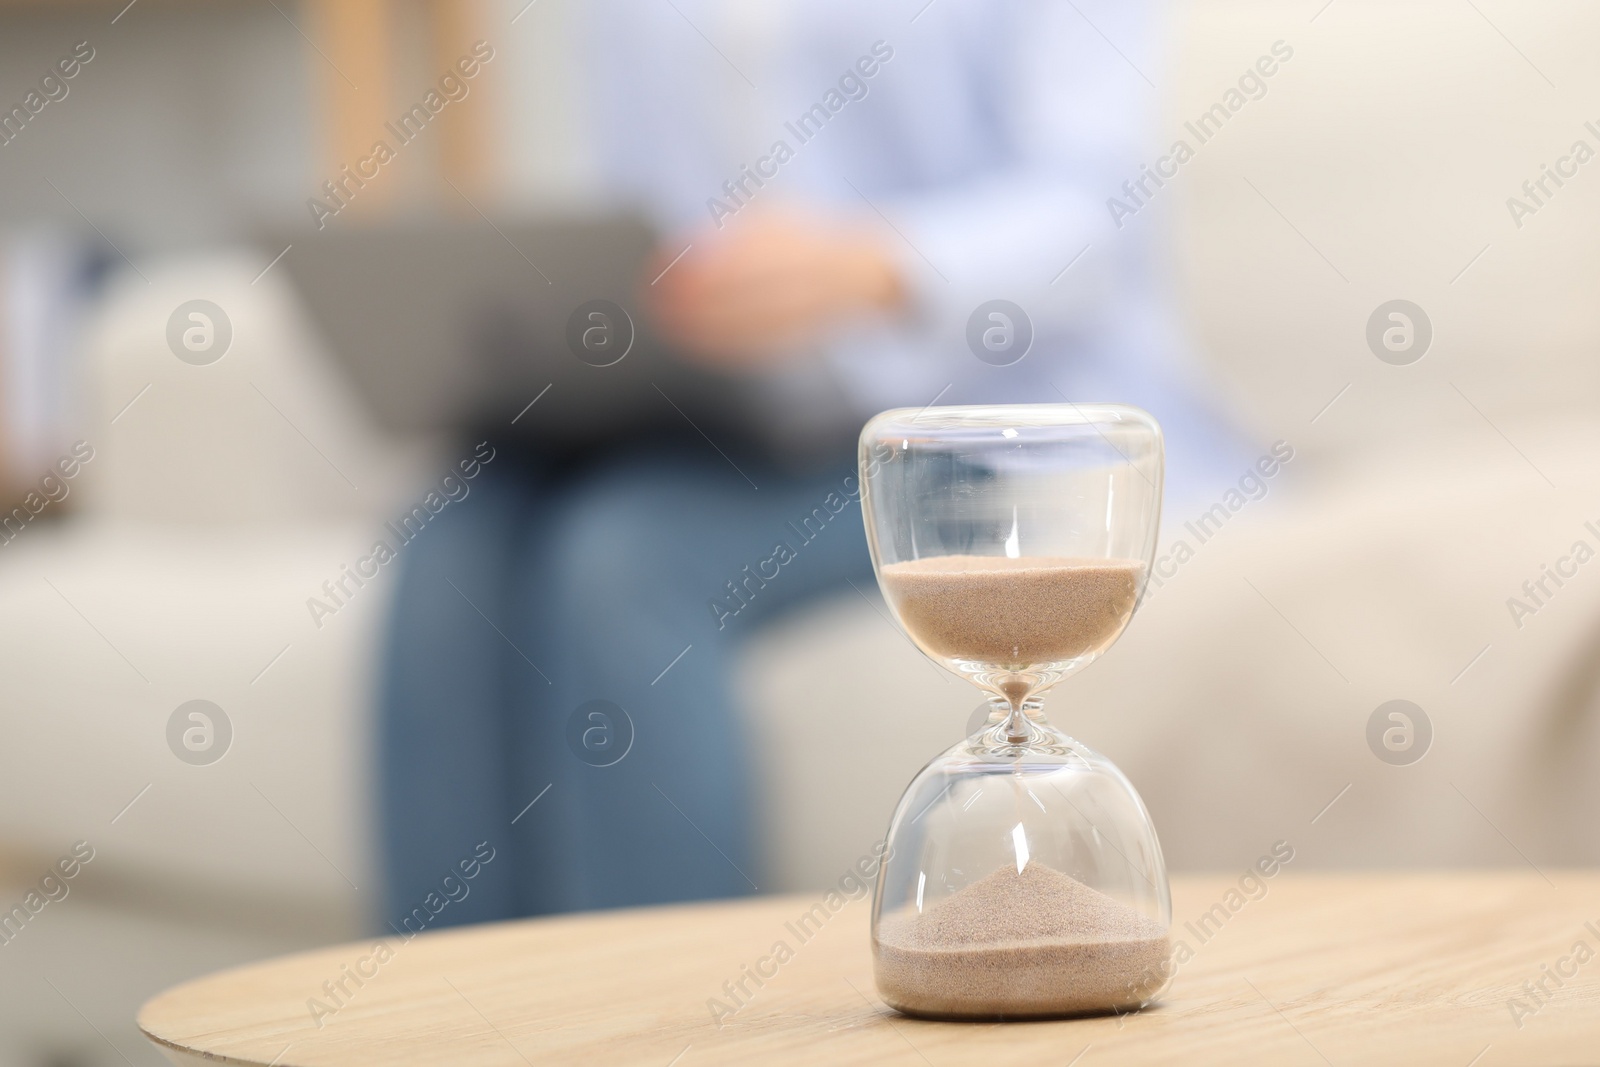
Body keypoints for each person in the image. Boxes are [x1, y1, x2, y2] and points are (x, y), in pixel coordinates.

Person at [377, 0, 1245, 927]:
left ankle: (662, 1022)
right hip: (733, 415)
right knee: (451, 548)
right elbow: (635, 202)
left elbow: (1100, 213)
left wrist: (877, 264)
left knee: (621, 560)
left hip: (970, 432)